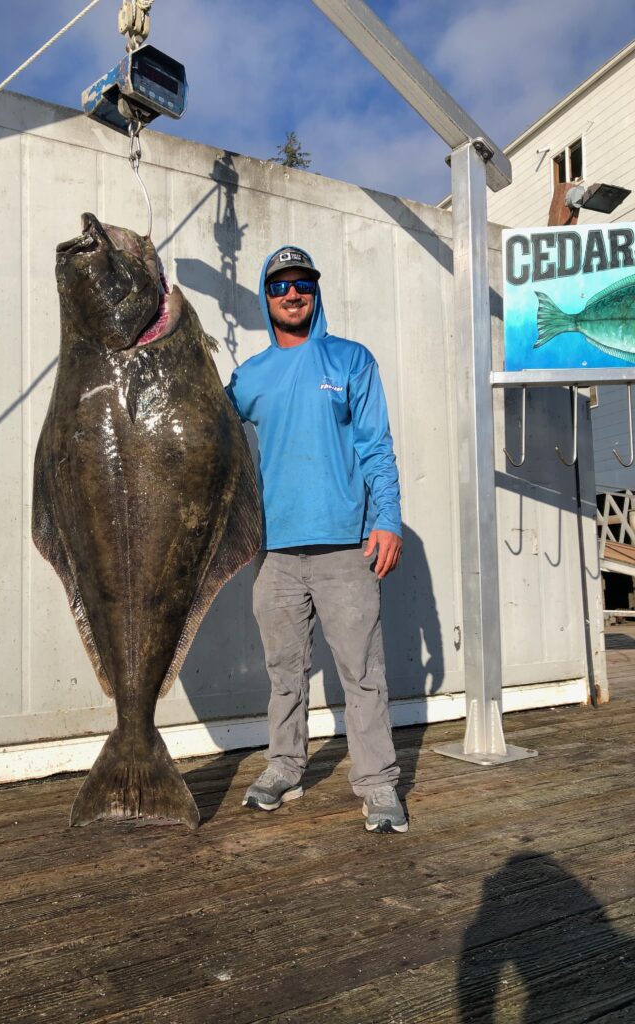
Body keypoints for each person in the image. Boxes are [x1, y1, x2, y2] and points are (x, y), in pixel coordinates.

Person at [225, 245, 406, 834]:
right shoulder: (248, 378)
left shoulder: (351, 360)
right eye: (280, 286)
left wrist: (387, 518)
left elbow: (376, 446)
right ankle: (284, 766)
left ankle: (378, 785)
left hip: (345, 551)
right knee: (284, 672)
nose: (293, 293)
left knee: (362, 672)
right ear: (266, 297)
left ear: (315, 291)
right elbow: (207, 441)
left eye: (302, 283)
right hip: (274, 554)